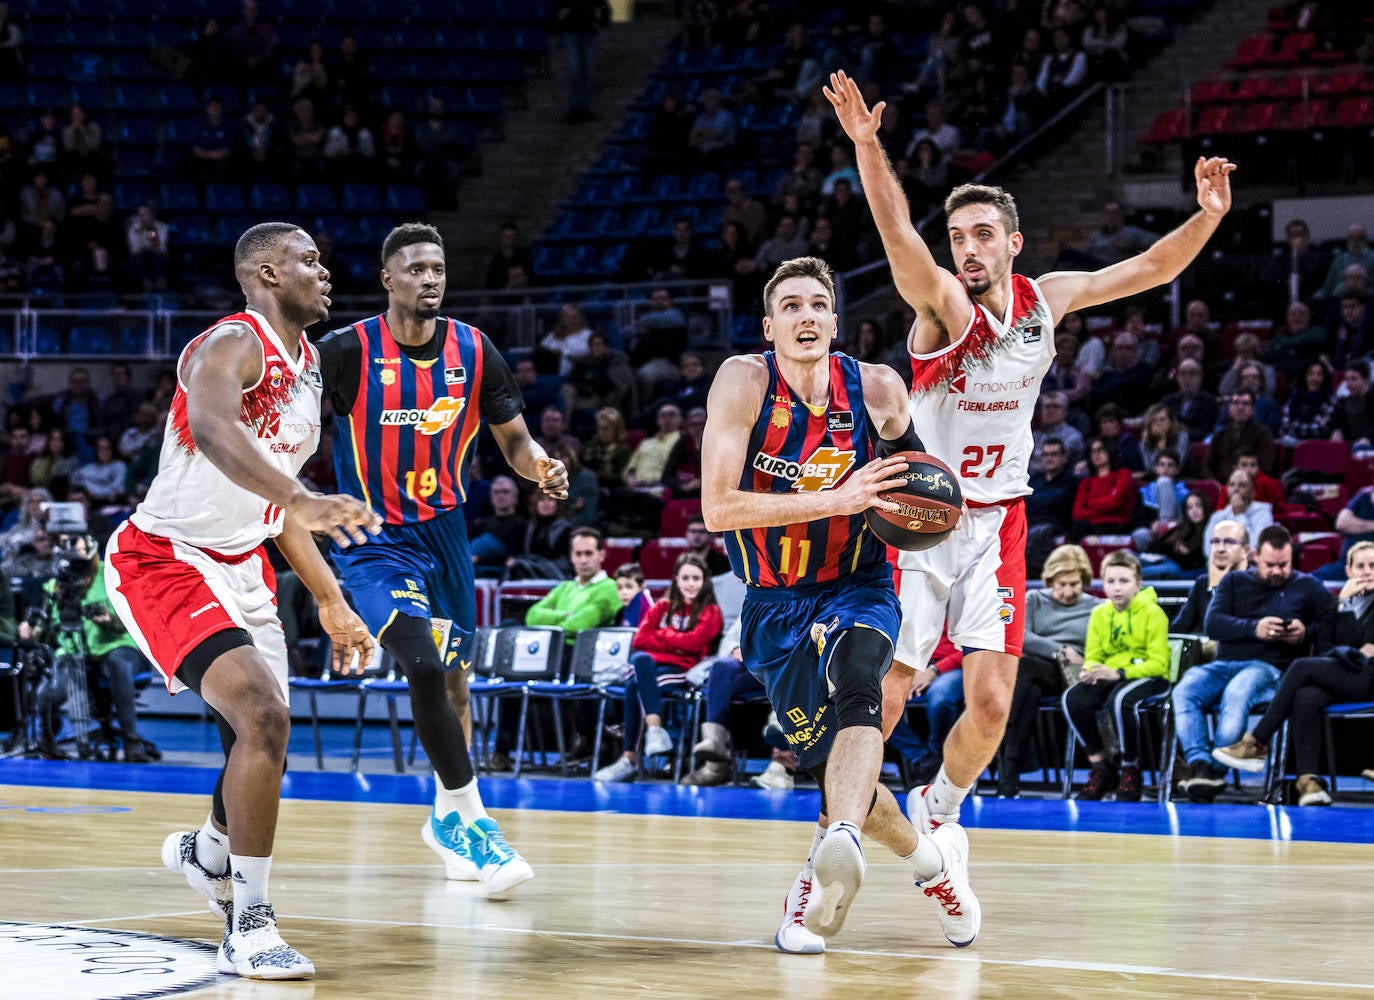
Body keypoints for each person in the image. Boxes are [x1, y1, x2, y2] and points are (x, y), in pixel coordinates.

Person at [825, 70, 1234, 854]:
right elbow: (899, 241)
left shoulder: (1050, 299)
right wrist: (868, 146)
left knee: (989, 708)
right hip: (921, 519)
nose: (968, 249)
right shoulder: (944, 307)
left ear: (1012, 242)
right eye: (960, 237)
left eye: (984, 234)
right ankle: (832, 841)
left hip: (1001, 520)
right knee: (888, 697)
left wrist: (1206, 218)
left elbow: (1149, 269)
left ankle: (938, 811)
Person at [104, 222, 380, 980]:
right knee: (263, 714)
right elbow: (212, 427)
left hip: (243, 568)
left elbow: (286, 511)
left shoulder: (311, 365)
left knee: (261, 741)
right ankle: (248, 923)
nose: (326, 273)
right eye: (310, 261)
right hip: (164, 559)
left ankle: (205, 852)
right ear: (266, 271)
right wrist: (300, 494)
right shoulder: (229, 344)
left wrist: (330, 600)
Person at [700, 255, 978, 954]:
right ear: (769, 326)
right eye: (790, 307)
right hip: (773, 604)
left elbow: (918, 489)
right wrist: (841, 497)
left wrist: (937, 512)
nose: (806, 317)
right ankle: (930, 866)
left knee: (859, 685)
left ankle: (830, 857)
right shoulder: (742, 383)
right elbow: (717, 508)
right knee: (835, 769)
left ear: (835, 321)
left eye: (818, 305)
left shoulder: (878, 390)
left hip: (858, 583)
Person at [315, 223, 568, 894]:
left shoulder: (475, 350)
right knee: (422, 663)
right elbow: (288, 427)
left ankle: (444, 817)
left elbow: (514, 440)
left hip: (446, 538)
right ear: (388, 280)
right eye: (417, 268)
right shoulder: (345, 352)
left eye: (439, 267)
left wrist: (541, 465)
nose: (431, 278)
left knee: (454, 683)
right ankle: (476, 823)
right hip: (374, 540)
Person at [1175, 525, 1338, 802]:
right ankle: (1200, 764)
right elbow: (1213, 624)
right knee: (1185, 689)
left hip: (1268, 668)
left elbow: (1332, 625)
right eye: (1270, 565)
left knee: (1237, 692)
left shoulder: (1308, 586)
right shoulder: (1234, 582)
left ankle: (1213, 771)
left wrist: (1304, 632)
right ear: (1255, 556)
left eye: (1283, 565)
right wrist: (1255, 628)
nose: (1276, 571)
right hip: (1223, 664)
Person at [1213, 541, 1374, 805]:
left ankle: (1257, 742)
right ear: (1348, 570)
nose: (1367, 572)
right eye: (1360, 566)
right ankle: (1309, 782)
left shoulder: (1347, 607)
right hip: (1347, 675)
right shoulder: (1335, 604)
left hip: (1369, 677)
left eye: (1372, 566)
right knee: (1306, 695)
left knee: (1301, 667)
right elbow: (1328, 646)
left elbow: (1364, 650)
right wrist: (1343, 608)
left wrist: (1344, 617)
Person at [26, 532, 153, 762]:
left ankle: (132, 741)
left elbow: (137, 618)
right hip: (74, 650)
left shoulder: (111, 574)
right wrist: (32, 630)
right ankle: (47, 743)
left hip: (117, 646)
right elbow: (47, 625)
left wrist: (110, 621)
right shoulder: (55, 584)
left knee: (117, 664)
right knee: (49, 690)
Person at [595, 552, 722, 781]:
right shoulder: (663, 606)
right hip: (653, 666)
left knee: (634, 684)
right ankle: (653, 731)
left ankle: (630, 758)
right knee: (640, 662)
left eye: (696, 578)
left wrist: (663, 636)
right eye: (686, 578)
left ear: (704, 581)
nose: (691, 584)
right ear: (676, 580)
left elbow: (695, 643)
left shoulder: (710, 611)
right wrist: (677, 640)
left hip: (683, 670)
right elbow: (640, 640)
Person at [1063, 551, 1170, 801]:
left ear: (1138, 584)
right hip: (1111, 674)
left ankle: (1130, 768)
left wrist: (1121, 672)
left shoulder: (1153, 613)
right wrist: (1091, 669)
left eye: (1124, 581)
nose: (1117, 587)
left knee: (1121, 700)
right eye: (1111, 581)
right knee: (1073, 698)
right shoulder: (1100, 613)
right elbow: (1094, 653)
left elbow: (1159, 663)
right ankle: (1101, 767)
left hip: (1151, 676)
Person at [998, 543, 1099, 797]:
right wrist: (1060, 649)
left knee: (1025, 670)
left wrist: (1075, 658)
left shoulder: (1096, 607)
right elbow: (1019, 636)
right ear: (1050, 580)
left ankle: (1001, 729)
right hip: (1037, 673)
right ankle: (1009, 780)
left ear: (1084, 580)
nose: (1067, 591)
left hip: (1075, 675)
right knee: (1029, 691)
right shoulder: (1034, 599)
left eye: (1074, 584)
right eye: (1061, 584)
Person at [1070, 435, 1136, 539]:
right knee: (1078, 526)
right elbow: (1077, 513)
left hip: (1118, 524)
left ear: (1110, 450)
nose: (1096, 454)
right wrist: (1103, 510)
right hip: (1090, 525)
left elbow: (1116, 501)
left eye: (1100, 450)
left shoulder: (1123, 474)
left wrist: (1090, 503)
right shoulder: (1086, 483)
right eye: (1093, 451)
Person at [1203, 468, 1273, 549]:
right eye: (1232, 485)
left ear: (1252, 492)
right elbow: (1207, 550)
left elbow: (1255, 548)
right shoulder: (1218, 516)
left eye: (1242, 485)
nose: (1235, 489)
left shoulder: (1263, 514)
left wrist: (1240, 516)